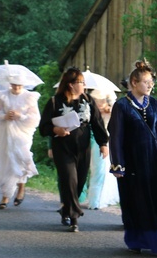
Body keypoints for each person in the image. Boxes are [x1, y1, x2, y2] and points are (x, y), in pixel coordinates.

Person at [108, 61, 157, 255]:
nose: (150, 85)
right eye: (146, 82)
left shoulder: (153, 103)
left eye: (151, 81)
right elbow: (116, 136)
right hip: (133, 163)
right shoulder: (121, 106)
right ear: (134, 83)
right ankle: (136, 241)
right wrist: (118, 164)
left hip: (153, 162)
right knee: (137, 202)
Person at [39, 67, 108, 232]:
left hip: (83, 147)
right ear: (70, 84)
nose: (84, 85)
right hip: (62, 147)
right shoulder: (55, 101)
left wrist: (103, 144)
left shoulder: (88, 100)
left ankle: (66, 209)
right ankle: (74, 218)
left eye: (83, 82)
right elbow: (43, 127)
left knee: (80, 180)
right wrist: (56, 130)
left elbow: (97, 124)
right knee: (70, 179)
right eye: (81, 82)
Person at [0, 72, 40, 209]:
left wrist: (21, 116)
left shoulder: (30, 97)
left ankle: (21, 188)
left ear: (23, 84)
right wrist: (4, 116)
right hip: (6, 132)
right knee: (7, 161)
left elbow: (35, 118)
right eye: (14, 84)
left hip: (22, 133)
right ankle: (6, 196)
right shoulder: (3, 96)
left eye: (19, 85)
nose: (16, 87)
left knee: (20, 159)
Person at [87, 88, 119, 209]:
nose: (98, 103)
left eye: (100, 100)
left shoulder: (111, 111)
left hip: (103, 141)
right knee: (94, 169)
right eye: (95, 100)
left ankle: (96, 200)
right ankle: (92, 198)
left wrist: (108, 112)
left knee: (100, 170)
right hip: (89, 139)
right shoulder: (89, 108)